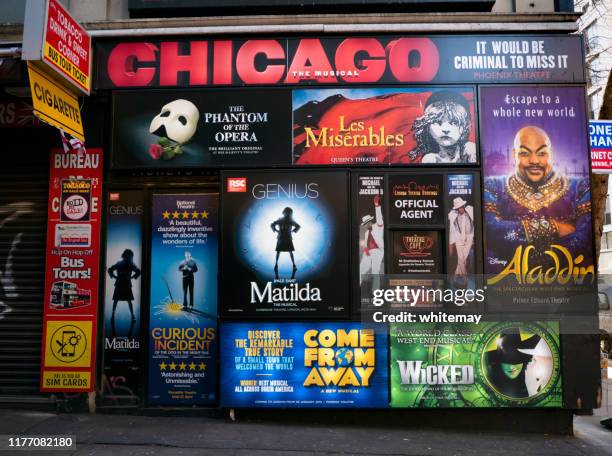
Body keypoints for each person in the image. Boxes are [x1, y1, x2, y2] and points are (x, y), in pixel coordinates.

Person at [484, 126, 592, 268]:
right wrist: (555, 227)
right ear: (514, 154)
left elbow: (584, 240)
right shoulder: (493, 185)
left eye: (541, 153)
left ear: (551, 154)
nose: (534, 160)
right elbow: (491, 230)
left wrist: (514, 242)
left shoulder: (579, 187)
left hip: (565, 283)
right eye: (525, 153)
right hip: (508, 284)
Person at [408, 91, 476, 164]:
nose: (445, 129)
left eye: (454, 122)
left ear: (465, 126)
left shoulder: (470, 150)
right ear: (427, 126)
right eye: (438, 122)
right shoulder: (430, 159)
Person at [107, 249, 141, 322]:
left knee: (127, 300)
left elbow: (138, 271)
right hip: (121, 284)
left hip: (124, 284)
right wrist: (114, 276)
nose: (129, 257)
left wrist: (132, 277)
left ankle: (132, 315)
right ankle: (113, 315)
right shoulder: (125, 263)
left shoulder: (130, 264)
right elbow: (110, 269)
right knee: (118, 300)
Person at [359, 194, 384, 285]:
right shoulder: (366, 233)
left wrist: (376, 205)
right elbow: (365, 244)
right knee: (361, 269)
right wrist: (365, 250)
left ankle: (375, 291)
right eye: (364, 224)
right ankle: (358, 285)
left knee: (375, 270)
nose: (365, 225)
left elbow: (379, 219)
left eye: (366, 223)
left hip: (377, 251)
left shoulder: (378, 226)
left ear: (370, 222)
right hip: (368, 253)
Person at [448, 197, 474, 282]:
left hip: (469, 237)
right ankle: (465, 278)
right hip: (458, 238)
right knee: (461, 257)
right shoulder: (453, 215)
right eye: (459, 207)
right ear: (457, 208)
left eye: (462, 206)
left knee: (463, 259)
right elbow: (449, 216)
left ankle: (455, 278)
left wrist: (474, 237)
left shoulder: (470, 210)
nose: (461, 208)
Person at [271, 207, 301, 277]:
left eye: (289, 212)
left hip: (286, 237)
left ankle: (293, 265)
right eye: (287, 212)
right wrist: (276, 230)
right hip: (282, 237)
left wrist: (293, 231)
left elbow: (298, 226)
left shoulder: (290, 220)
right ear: (284, 212)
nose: (287, 213)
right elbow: (272, 224)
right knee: (279, 251)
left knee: (289, 251)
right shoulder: (282, 220)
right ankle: (276, 264)